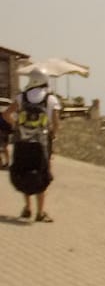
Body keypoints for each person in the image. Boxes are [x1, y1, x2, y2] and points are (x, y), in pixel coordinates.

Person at [6, 68, 61, 222]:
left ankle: (27, 208)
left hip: (22, 142)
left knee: (23, 171)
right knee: (42, 173)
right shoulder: (51, 99)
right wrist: (52, 135)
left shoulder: (21, 97)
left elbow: (6, 115)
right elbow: (56, 123)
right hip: (41, 144)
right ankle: (40, 212)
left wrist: (17, 125)